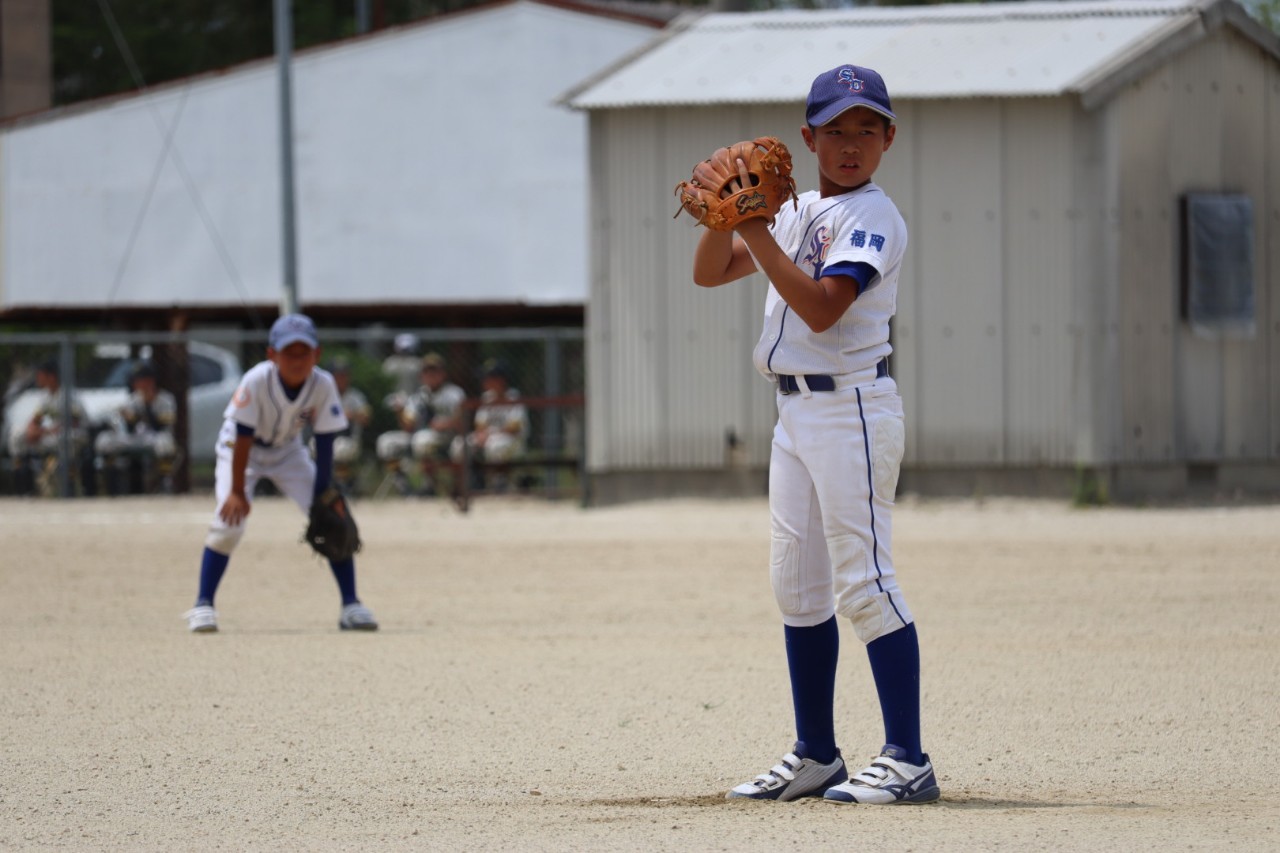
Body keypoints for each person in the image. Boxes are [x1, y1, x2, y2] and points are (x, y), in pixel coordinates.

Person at [686, 65, 938, 804]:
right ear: (809, 138)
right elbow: (710, 274)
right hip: (795, 413)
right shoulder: (793, 213)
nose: (850, 143)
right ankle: (816, 753)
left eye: (866, 129)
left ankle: (907, 755)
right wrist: (722, 219)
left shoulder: (873, 216)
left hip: (851, 408)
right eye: (835, 130)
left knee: (864, 582)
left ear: (889, 137)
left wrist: (754, 224)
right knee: (797, 586)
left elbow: (825, 309)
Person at [183, 314, 378, 633]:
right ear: (272, 355)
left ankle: (351, 604)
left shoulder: (322, 383)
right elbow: (243, 435)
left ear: (317, 354)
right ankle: (203, 604)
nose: (298, 360)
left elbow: (325, 439)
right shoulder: (257, 380)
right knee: (228, 524)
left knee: (334, 521)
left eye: (305, 352)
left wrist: (323, 493)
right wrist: (236, 491)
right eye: (290, 352)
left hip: (288, 451)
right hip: (240, 451)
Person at [375, 352, 466, 495]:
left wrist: (446, 423)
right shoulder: (418, 396)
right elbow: (408, 426)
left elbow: (463, 421)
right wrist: (400, 412)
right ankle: (404, 486)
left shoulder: (455, 393)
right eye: (426, 371)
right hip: (420, 436)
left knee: (424, 441)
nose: (430, 375)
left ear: (443, 373)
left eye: (434, 371)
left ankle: (433, 485)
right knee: (386, 442)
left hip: (448, 436)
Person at [94, 362, 178, 495]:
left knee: (165, 442)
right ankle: (109, 487)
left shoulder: (166, 399)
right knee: (105, 440)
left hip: (155, 439)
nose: (136, 384)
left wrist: (147, 406)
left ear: (150, 381)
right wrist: (128, 419)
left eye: (139, 380)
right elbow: (129, 429)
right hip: (135, 439)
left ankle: (164, 485)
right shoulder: (133, 399)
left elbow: (161, 427)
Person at [11, 360, 89, 496]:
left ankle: (67, 483)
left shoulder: (68, 395)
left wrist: (43, 432)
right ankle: (24, 481)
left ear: (51, 376)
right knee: (17, 435)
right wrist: (32, 431)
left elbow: (74, 423)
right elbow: (35, 419)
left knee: (65, 437)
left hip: (75, 436)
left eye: (40, 375)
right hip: (52, 435)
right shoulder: (46, 396)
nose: (37, 378)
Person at [451, 359, 528, 492]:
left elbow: (514, 428)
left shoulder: (514, 398)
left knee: (496, 445)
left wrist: (490, 433)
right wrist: (482, 435)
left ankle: (500, 482)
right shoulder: (487, 398)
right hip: (489, 438)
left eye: (488, 378)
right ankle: (466, 482)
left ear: (500, 380)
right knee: (460, 443)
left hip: (513, 441)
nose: (484, 382)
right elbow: (480, 425)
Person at [329, 358, 372, 493]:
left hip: (348, 437)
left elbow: (366, 417)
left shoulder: (355, 396)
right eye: (338, 375)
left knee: (341, 449)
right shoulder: (324, 395)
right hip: (328, 435)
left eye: (344, 375)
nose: (341, 378)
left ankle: (342, 486)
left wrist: (352, 415)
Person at [381, 332, 422, 398]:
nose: (404, 352)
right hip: (392, 399)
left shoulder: (417, 363)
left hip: (413, 398)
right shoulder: (389, 363)